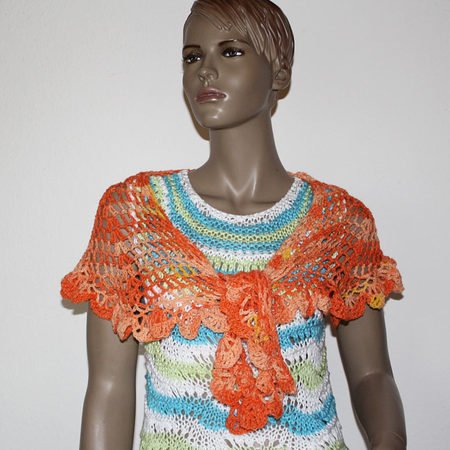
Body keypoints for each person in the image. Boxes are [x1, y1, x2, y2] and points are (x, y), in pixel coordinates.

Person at [60, 1, 406, 449]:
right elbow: (108, 389)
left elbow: (372, 376)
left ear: (279, 72)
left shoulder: (338, 223)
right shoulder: (134, 217)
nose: (205, 70)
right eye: (192, 57)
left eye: (231, 51)